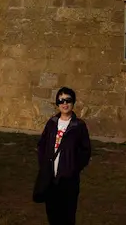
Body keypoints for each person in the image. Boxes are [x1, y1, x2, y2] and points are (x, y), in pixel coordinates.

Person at [36, 86, 91, 225]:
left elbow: (85, 151)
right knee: (52, 213)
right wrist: (44, 164)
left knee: (67, 215)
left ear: (73, 103)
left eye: (68, 100)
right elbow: (42, 145)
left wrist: (73, 167)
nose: (64, 104)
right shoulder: (52, 123)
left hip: (68, 180)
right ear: (57, 103)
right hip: (50, 177)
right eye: (61, 101)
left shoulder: (78, 126)